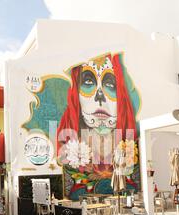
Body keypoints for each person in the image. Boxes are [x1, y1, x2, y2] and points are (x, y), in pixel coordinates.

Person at [56, 53, 139, 199]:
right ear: (76, 94)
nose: (99, 95)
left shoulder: (128, 144)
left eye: (110, 85)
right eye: (88, 83)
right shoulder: (68, 141)